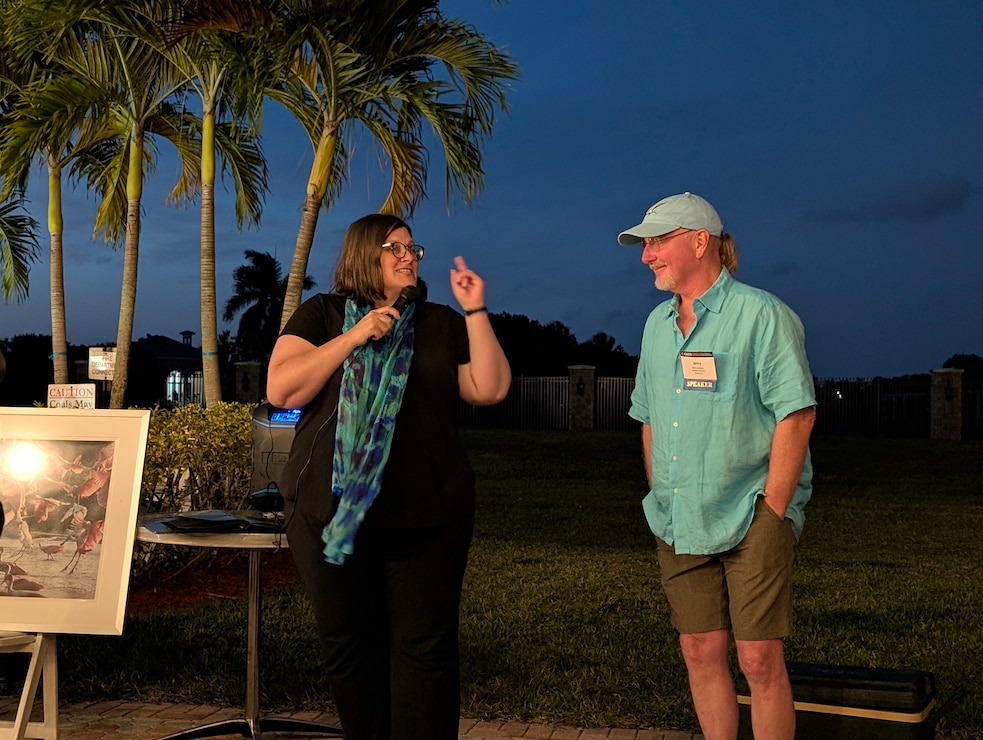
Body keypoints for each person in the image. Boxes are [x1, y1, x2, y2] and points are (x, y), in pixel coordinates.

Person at [265, 213, 510, 740]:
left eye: (412, 248)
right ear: (362, 254)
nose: (408, 256)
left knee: (425, 651)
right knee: (350, 647)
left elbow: (488, 388)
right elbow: (282, 389)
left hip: (428, 515)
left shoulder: (439, 322)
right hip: (331, 516)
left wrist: (475, 309)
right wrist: (354, 336)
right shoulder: (324, 314)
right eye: (394, 247)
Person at [617, 193, 816, 740]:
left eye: (658, 241)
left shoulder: (762, 315)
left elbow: (796, 414)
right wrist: (662, 491)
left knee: (758, 659)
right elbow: (648, 416)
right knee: (699, 650)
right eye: (645, 245)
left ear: (700, 241)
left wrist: (774, 509)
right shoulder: (656, 325)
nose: (646, 255)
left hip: (752, 512)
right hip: (679, 517)